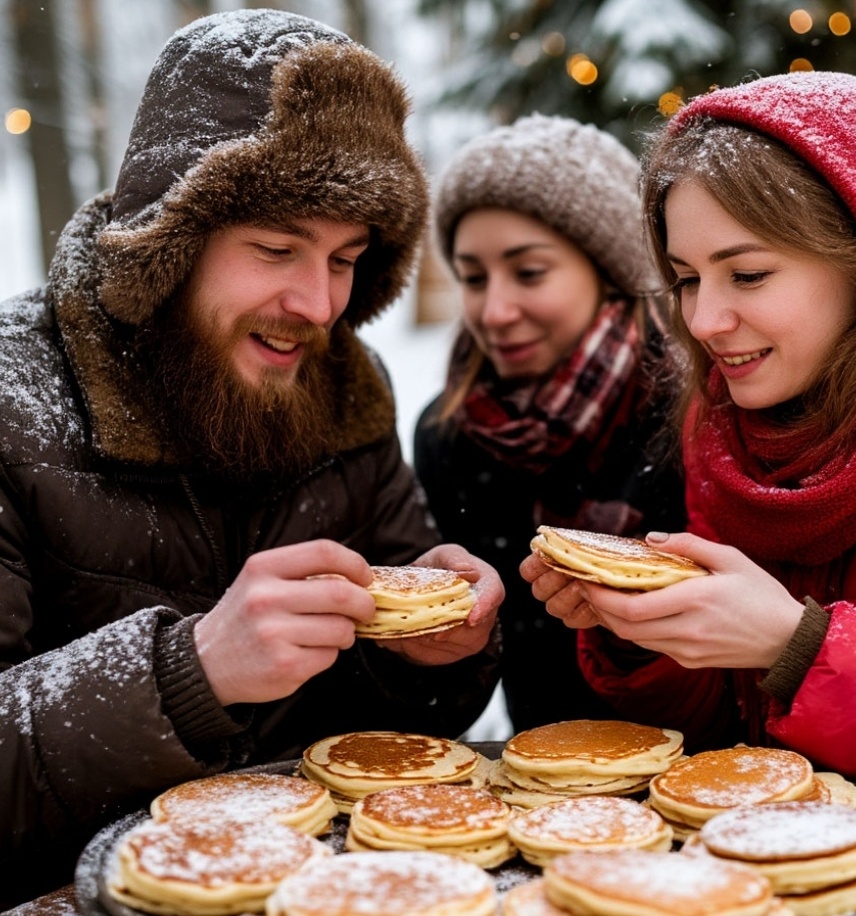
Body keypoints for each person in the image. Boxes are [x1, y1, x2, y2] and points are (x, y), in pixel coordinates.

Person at [0, 9, 504, 907]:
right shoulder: (12, 400)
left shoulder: (347, 385)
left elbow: (400, 735)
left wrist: (430, 655)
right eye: (276, 249)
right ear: (171, 240)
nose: (317, 304)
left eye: (347, 259)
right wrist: (190, 674)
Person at [521, 71, 856, 843]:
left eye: (747, 273)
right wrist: (652, 637)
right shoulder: (733, 437)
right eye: (686, 279)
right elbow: (737, 749)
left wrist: (800, 648)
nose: (707, 320)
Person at [413, 114, 686, 733]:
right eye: (473, 278)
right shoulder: (449, 435)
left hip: (699, 776)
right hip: (536, 783)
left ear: (606, 269)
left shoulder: (693, 414)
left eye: (529, 272)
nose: (495, 310)